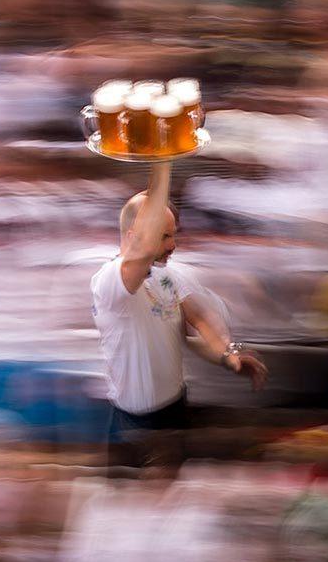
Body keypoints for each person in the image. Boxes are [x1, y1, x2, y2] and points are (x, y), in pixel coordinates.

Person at [91, 162, 266, 468]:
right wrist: (162, 163)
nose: (173, 245)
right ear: (134, 236)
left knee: (171, 491)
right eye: (164, 237)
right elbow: (143, 251)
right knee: (131, 496)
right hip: (133, 423)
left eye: (174, 235)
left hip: (174, 408)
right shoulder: (109, 282)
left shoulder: (170, 275)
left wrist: (228, 355)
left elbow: (199, 321)